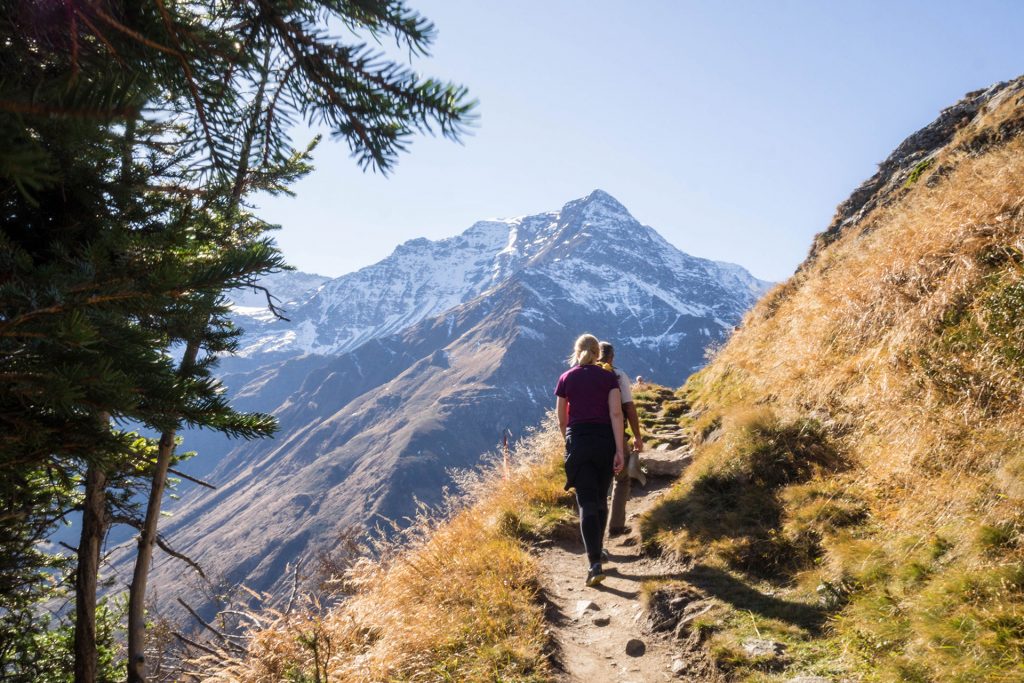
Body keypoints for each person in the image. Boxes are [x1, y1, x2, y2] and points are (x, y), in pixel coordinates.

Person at [555, 333, 625, 586]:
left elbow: (562, 419)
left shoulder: (566, 378)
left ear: (576, 352)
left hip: (579, 442)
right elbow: (616, 414)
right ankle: (600, 549)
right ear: (598, 354)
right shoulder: (609, 378)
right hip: (605, 442)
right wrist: (620, 449)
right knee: (600, 498)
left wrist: (570, 440)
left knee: (585, 503)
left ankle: (594, 562)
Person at [598, 342, 645, 536]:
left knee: (597, 483)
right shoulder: (618, 375)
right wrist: (637, 436)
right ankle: (616, 525)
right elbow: (629, 408)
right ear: (612, 356)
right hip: (615, 434)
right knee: (622, 478)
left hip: (588, 435)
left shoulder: (581, 373)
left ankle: (595, 531)